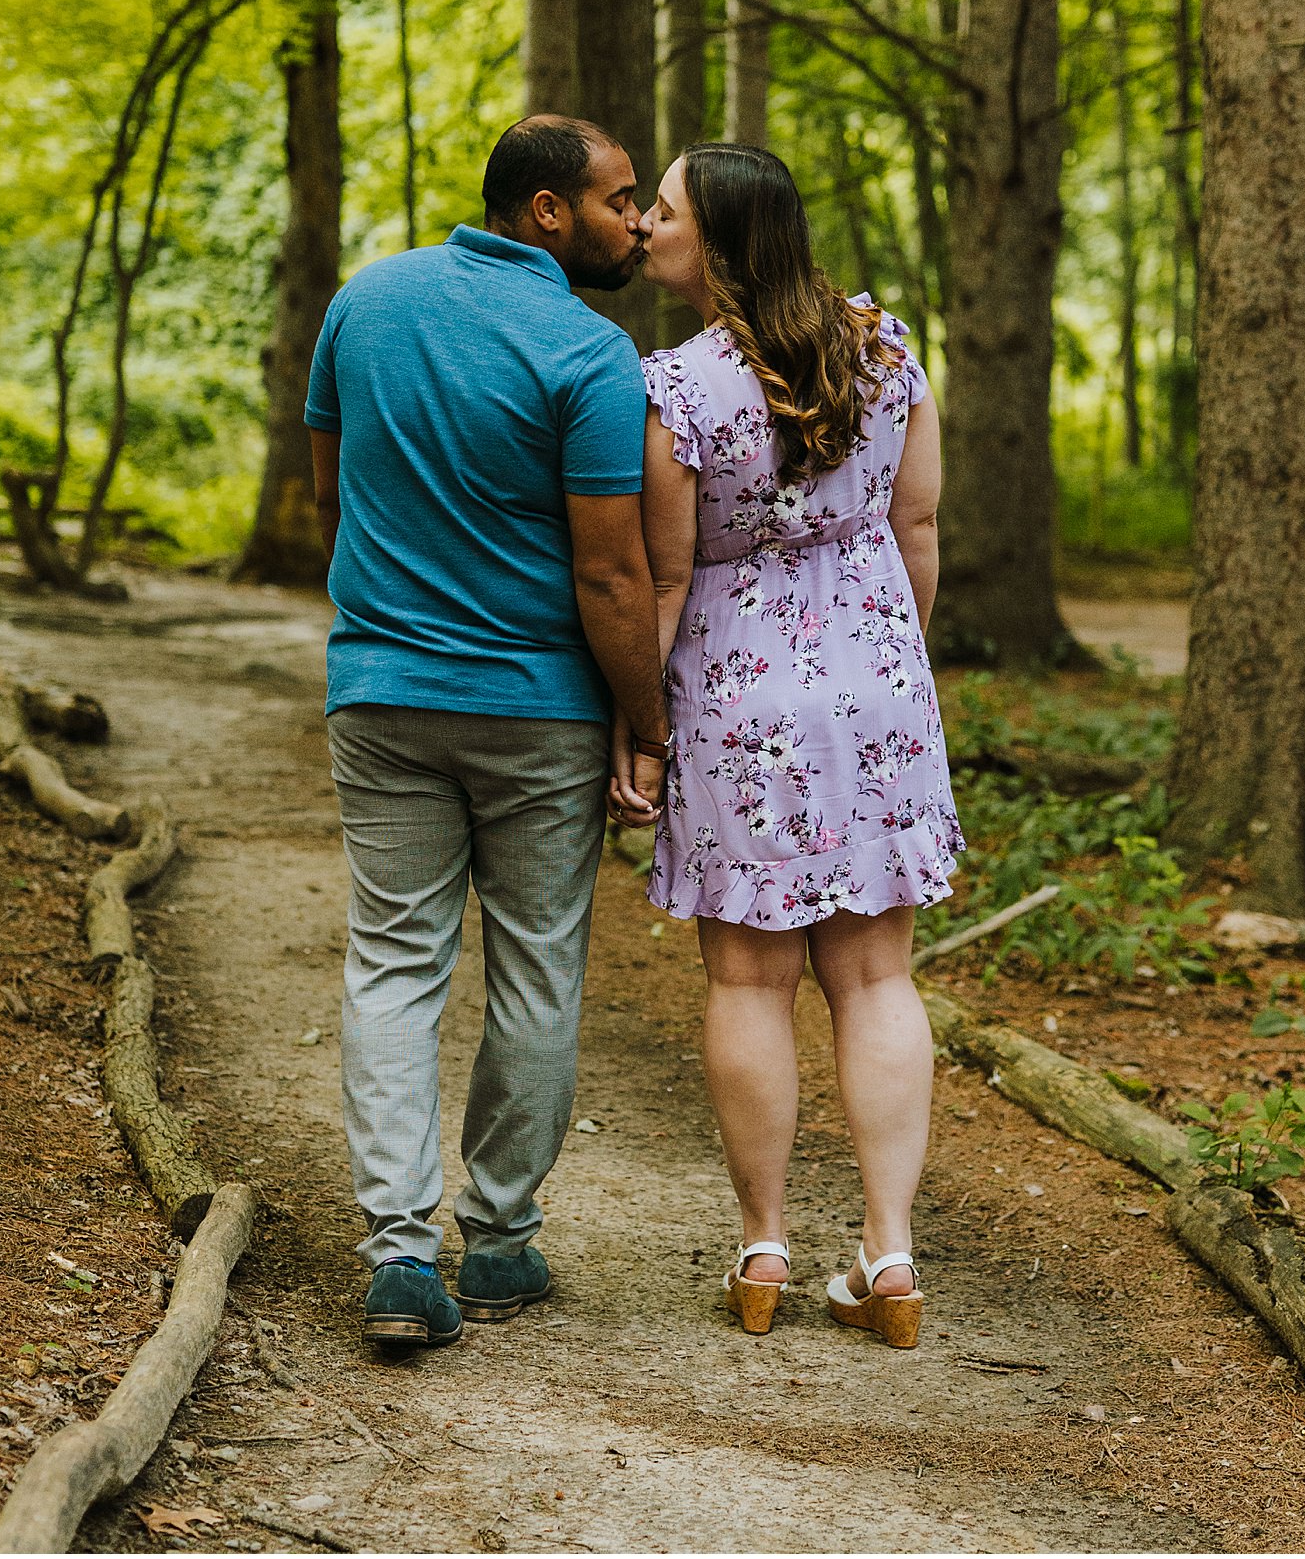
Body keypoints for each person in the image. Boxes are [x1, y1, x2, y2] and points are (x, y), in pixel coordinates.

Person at [306, 115, 669, 1353]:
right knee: (535, 963)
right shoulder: (589, 349)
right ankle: (500, 1240)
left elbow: (329, 485)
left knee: (394, 961)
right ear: (549, 211)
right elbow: (614, 578)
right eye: (623, 200)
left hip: (382, 693)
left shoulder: (367, 299)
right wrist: (649, 725)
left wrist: (384, 612)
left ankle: (399, 1256)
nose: (640, 221)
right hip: (538, 714)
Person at [634, 143, 961, 1345]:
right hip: (879, 684)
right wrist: (893, 670)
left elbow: (668, 578)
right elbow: (916, 522)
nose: (644, 228)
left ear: (714, 241)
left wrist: (643, 732)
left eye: (660, 212)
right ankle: (889, 1256)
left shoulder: (674, 389)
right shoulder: (884, 344)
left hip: (735, 699)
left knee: (746, 979)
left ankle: (763, 1245)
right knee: (876, 977)